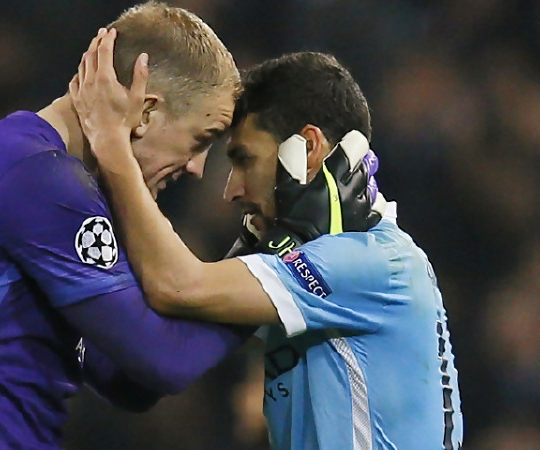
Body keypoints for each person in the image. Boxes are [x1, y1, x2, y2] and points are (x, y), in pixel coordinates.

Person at [70, 34, 464, 449]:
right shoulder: (325, 266)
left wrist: (112, 144)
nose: (231, 190)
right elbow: (157, 356)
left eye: (244, 160)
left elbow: (177, 286)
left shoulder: (373, 262)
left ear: (308, 148)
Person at [0, 3, 262, 448]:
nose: (196, 168)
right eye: (200, 140)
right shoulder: (43, 183)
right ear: (146, 112)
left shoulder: (1, 158)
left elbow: (125, 380)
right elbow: (163, 361)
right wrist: (270, 269)